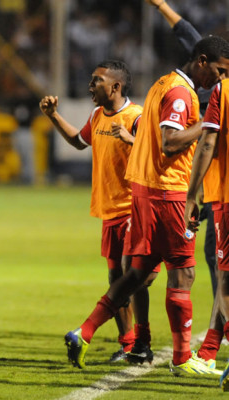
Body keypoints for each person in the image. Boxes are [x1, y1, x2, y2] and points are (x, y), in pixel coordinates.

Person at [63, 36, 229, 374]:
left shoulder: (161, 83)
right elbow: (169, 143)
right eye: (219, 70)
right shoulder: (182, 94)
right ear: (202, 61)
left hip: (143, 192)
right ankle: (183, 359)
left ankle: (85, 331)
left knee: (136, 273)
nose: (220, 79)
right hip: (168, 193)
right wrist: (208, 125)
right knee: (183, 273)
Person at [40, 60, 152, 363]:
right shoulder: (97, 115)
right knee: (116, 278)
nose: (90, 86)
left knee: (133, 277)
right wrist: (53, 116)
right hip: (109, 212)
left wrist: (132, 140)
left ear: (115, 86)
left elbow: (156, 155)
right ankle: (129, 343)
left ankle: (141, 340)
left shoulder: (137, 117)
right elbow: (78, 142)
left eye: (96, 81)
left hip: (133, 211)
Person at [146, 0, 226, 371]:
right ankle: (206, 343)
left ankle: (210, 342)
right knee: (209, 264)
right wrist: (162, 6)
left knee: (214, 265)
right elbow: (188, 34)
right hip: (204, 181)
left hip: (207, 181)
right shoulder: (204, 74)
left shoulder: (217, 84)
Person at [185, 77, 229, 390]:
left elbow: (208, 141)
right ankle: (209, 350)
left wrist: (191, 194)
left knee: (225, 279)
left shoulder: (222, 90)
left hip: (225, 194)